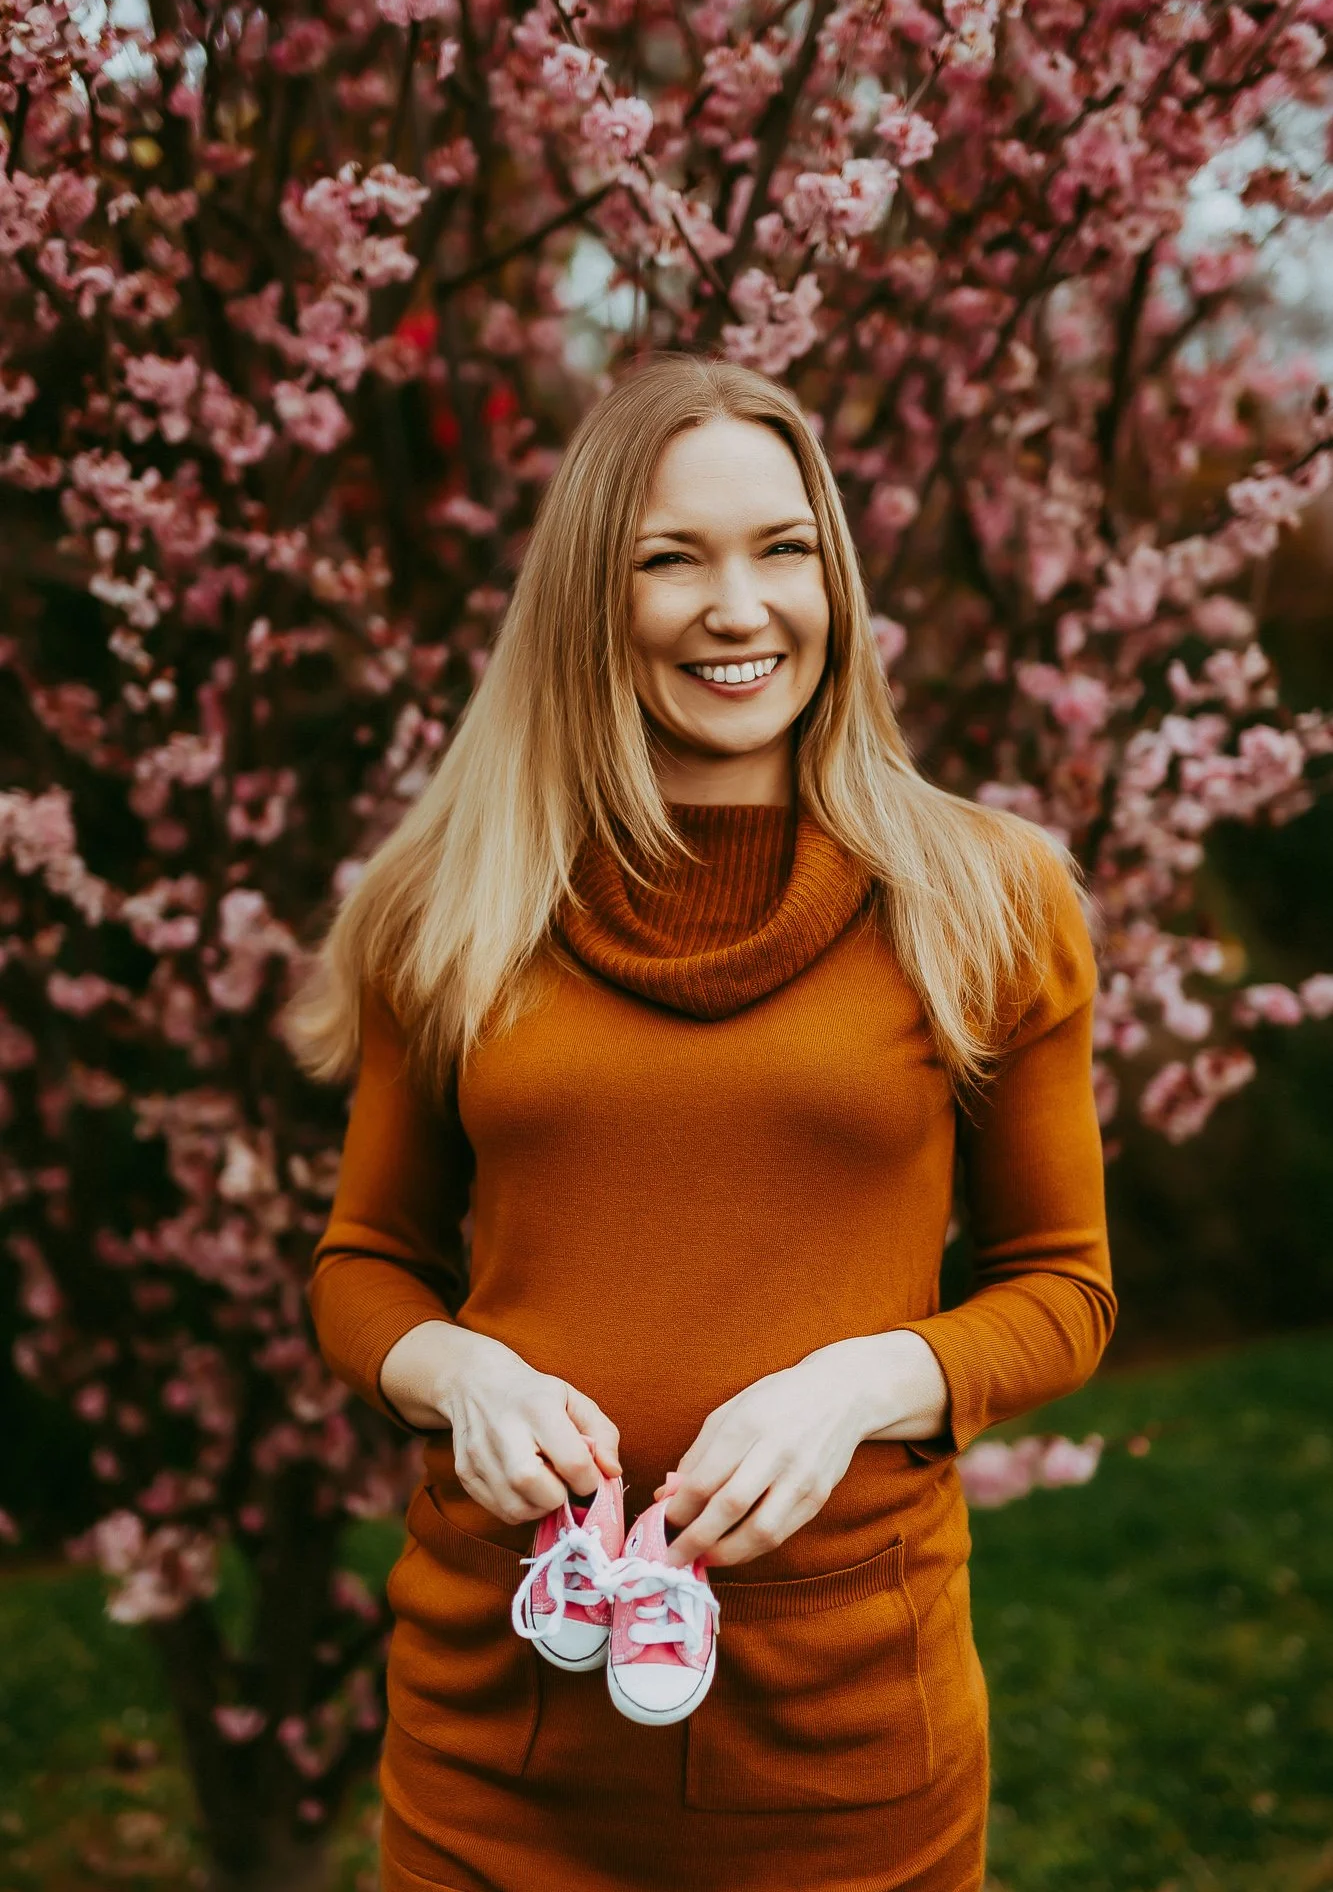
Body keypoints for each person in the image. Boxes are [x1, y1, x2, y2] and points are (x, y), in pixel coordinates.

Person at [284, 352, 1116, 1892]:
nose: (740, 608)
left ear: (835, 580)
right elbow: (362, 1265)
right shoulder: (447, 906)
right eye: (673, 559)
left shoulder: (988, 900)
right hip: (493, 1747)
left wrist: (872, 1379)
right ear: (593, 598)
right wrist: (453, 1368)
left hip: (849, 1737)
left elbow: (1065, 1285)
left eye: (781, 550)